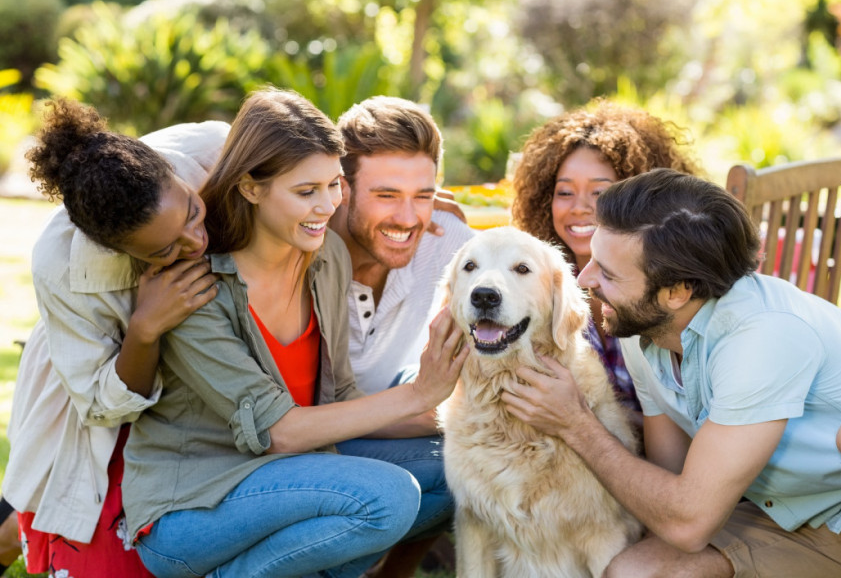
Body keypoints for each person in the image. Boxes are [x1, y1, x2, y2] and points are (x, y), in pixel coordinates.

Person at [121, 88, 469, 578]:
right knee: (389, 498)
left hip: (291, 479)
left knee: (461, 467)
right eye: (306, 192)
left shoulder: (326, 257)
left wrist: (474, 419)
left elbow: (339, 399)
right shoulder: (196, 289)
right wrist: (421, 393)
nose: (327, 206)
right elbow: (277, 433)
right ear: (250, 187)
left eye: (333, 186)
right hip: (192, 508)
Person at [501, 169, 841, 578]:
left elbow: (688, 523)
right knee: (636, 572)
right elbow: (669, 486)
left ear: (677, 292)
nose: (586, 280)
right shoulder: (642, 324)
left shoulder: (761, 337)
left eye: (608, 272)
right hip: (795, 518)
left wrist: (576, 425)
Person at [2, 98, 228, 576]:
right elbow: (102, 403)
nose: (196, 241)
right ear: (116, 250)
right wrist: (145, 327)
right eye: (166, 250)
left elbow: (306, 166)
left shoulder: (212, 148)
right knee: (53, 507)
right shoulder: (60, 264)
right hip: (94, 381)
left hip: (192, 382)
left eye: (192, 210)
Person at [329, 96, 474, 576]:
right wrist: (427, 407)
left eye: (424, 194)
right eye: (387, 195)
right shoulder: (301, 250)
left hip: (385, 416)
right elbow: (287, 422)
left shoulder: (444, 237)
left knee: (472, 465)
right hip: (300, 441)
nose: (409, 218)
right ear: (340, 188)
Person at [510, 99, 699, 423]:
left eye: (601, 194)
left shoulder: (666, 288)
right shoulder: (543, 284)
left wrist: (586, 416)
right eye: (564, 192)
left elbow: (685, 418)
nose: (580, 207)